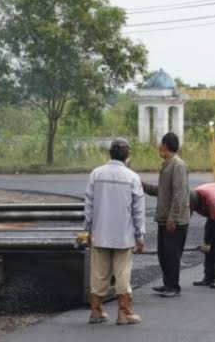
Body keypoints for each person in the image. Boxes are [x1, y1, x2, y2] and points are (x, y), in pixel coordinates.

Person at [84, 138, 145, 325]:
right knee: (122, 274)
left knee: (98, 273)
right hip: (123, 236)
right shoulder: (132, 177)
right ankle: (124, 313)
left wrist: (88, 230)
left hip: (100, 233)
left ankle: (96, 311)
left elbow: (88, 205)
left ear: (110, 153)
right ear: (127, 155)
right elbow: (138, 211)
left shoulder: (96, 174)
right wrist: (139, 236)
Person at [142, 132, 190, 298]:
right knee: (163, 253)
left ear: (166, 146)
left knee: (172, 254)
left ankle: (173, 287)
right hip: (164, 218)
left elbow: (180, 194)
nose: (159, 147)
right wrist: (142, 185)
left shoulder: (177, 165)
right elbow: (162, 191)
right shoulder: (167, 164)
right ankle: (167, 283)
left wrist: (173, 218)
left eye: (161, 144)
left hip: (174, 221)